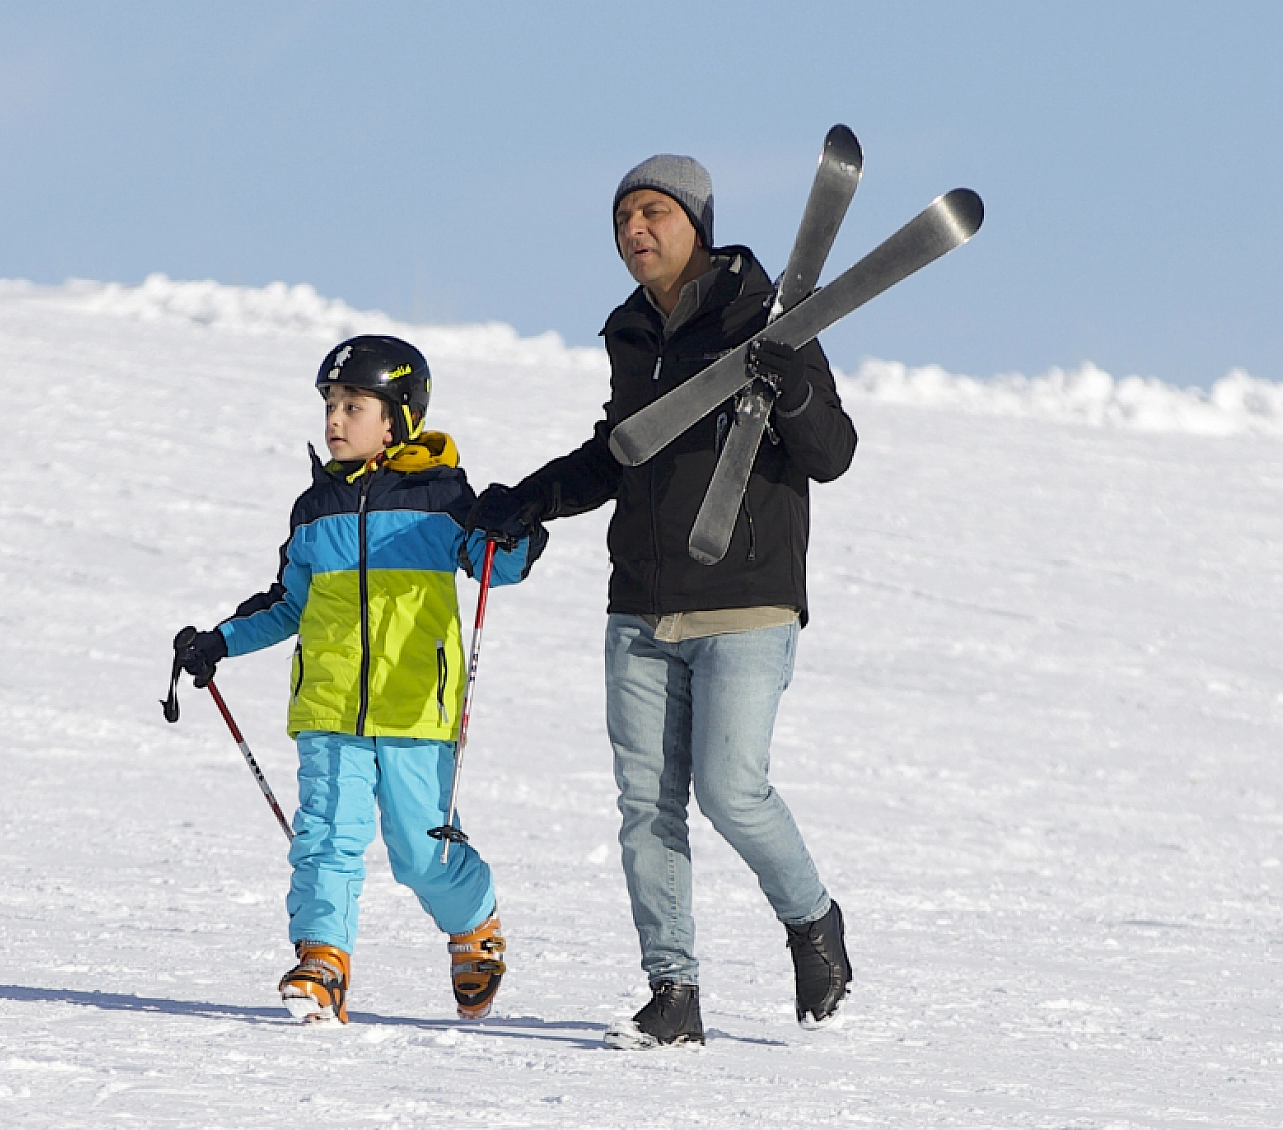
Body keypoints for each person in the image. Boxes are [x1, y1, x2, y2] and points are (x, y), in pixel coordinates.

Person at [465, 154, 858, 1048]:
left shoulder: (771, 314)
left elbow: (831, 451)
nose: (634, 230)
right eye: (621, 219)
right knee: (645, 808)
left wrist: (789, 383)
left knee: (729, 789)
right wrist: (529, 497)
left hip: (745, 600)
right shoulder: (631, 333)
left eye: (653, 213)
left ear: (696, 223)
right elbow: (621, 451)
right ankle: (672, 993)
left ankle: (813, 923)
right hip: (639, 604)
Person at [174, 335, 544, 1025]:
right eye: (330, 405)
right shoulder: (315, 509)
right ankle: (323, 962)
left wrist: (514, 529)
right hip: (329, 706)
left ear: (398, 416)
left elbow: (498, 566)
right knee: (326, 838)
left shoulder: (443, 497)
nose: (335, 420)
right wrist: (219, 640)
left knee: (419, 852)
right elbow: (288, 604)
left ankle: (475, 927)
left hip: (415, 707)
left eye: (353, 405)